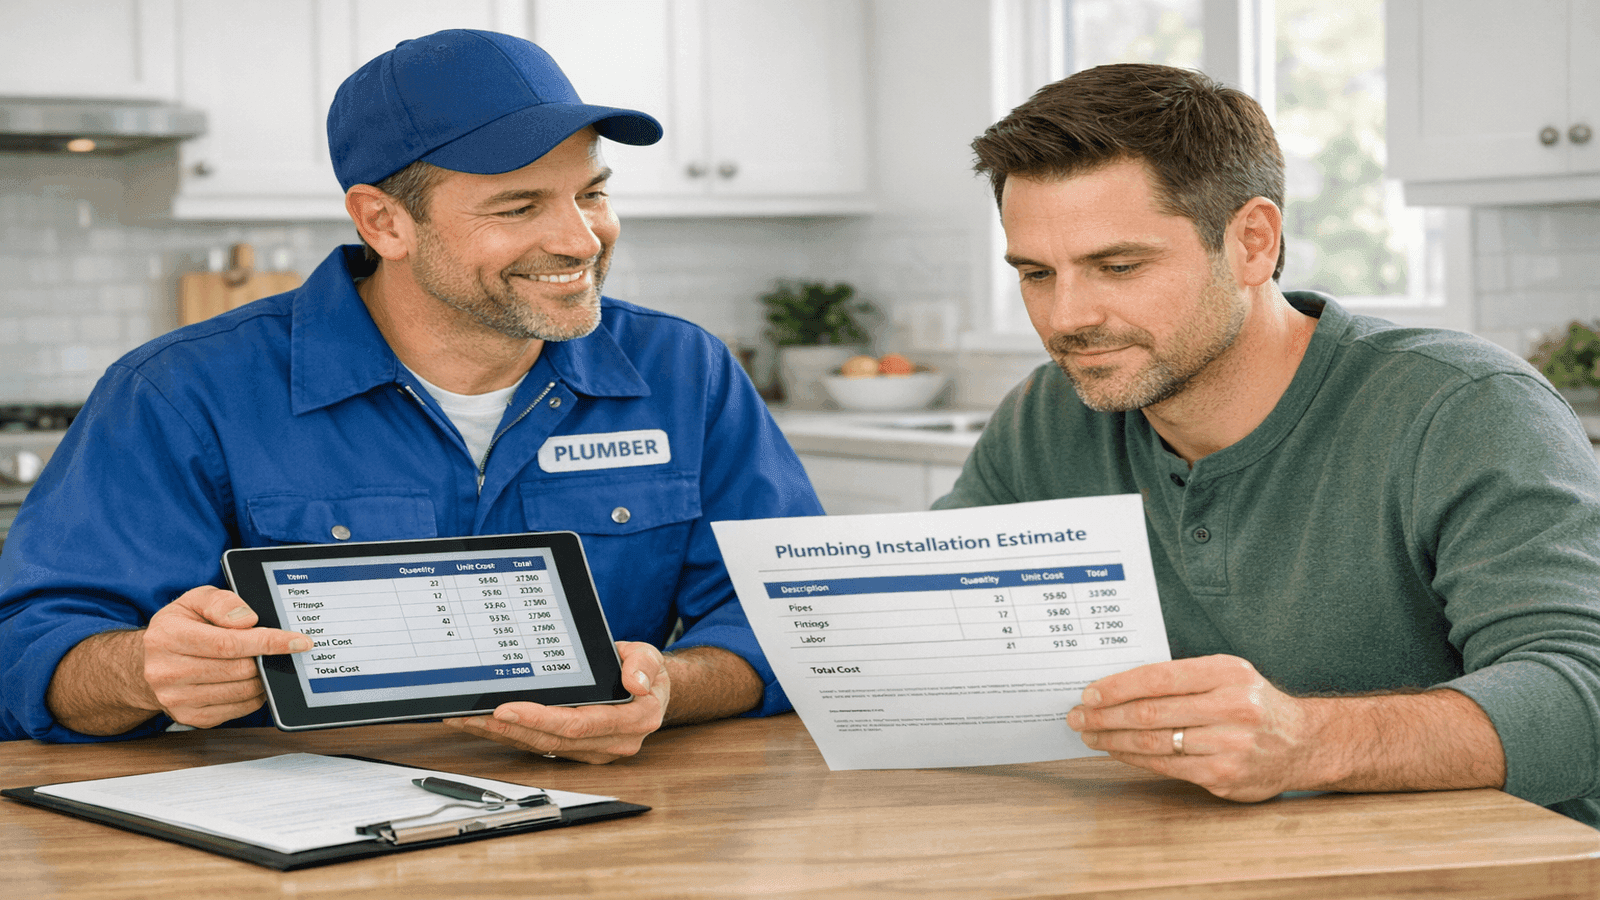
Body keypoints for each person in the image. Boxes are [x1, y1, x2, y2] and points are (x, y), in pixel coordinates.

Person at [0, 29, 823, 761]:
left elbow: (794, 622)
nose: (581, 239)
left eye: (592, 192)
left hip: (615, 835)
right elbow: (30, 649)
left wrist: (668, 687)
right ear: (383, 223)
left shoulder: (687, 371)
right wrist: (147, 671)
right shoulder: (180, 392)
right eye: (518, 205)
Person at [937, 63, 1600, 824]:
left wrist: (1306, 741)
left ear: (1253, 242)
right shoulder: (1047, 417)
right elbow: (940, 633)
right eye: (1035, 273)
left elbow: (1582, 691)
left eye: (1118, 266)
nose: (1067, 317)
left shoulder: (1466, 409)